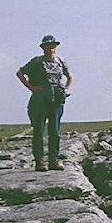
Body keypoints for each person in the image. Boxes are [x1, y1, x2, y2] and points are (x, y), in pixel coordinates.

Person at [16, 35, 73, 171]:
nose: (50, 48)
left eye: (52, 45)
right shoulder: (36, 61)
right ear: (43, 48)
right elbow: (20, 73)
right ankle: (40, 162)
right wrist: (32, 88)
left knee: (55, 131)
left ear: (56, 47)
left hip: (57, 98)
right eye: (47, 46)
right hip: (40, 98)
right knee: (39, 130)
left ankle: (54, 160)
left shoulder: (61, 61)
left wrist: (66, 89)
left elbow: (69, 76)